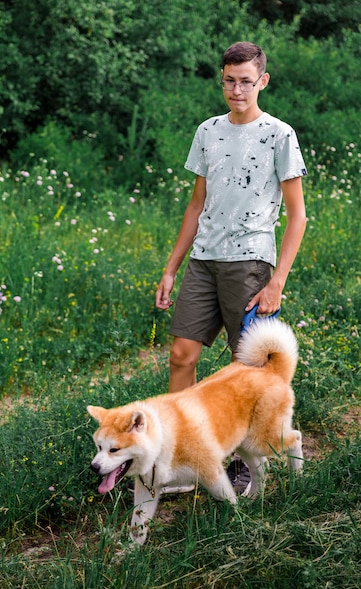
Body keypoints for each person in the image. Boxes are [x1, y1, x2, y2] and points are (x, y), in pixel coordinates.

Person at [155, 41, 307, 492]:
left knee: (247, 373)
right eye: (229, 80)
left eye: (245, 81)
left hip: (251, 263)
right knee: (182, 355)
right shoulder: (208, 131)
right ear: (221, 79)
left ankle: (241, 464)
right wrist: (171, 267)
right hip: (204, 259)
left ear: (262, 81)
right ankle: (182, 455)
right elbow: (196, 202)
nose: (236, 90)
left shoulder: (279, 135)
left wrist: (277, 281)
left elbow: (297, 215)